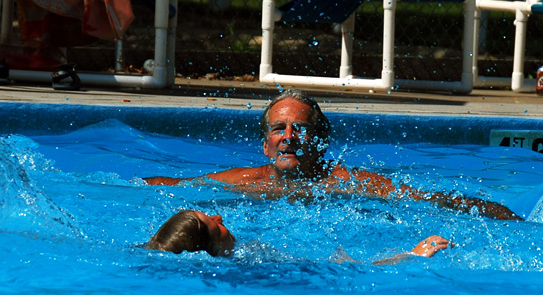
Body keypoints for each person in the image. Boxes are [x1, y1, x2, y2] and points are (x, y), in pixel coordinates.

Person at [145, 90, 523, 221]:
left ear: (320, 143)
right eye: (279, 129)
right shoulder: (246, 181)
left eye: (300, 129)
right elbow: (175, 185)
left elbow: (422, 199)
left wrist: (496, 212)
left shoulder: (345, 183)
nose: (288, 138)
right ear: (265, 144)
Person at [145, 208, 451, 264]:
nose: (220, 217)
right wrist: (411, 255)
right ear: (212, 249)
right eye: (214, 225)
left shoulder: (245, 257)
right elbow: (348, 271)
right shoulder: (256, 268)